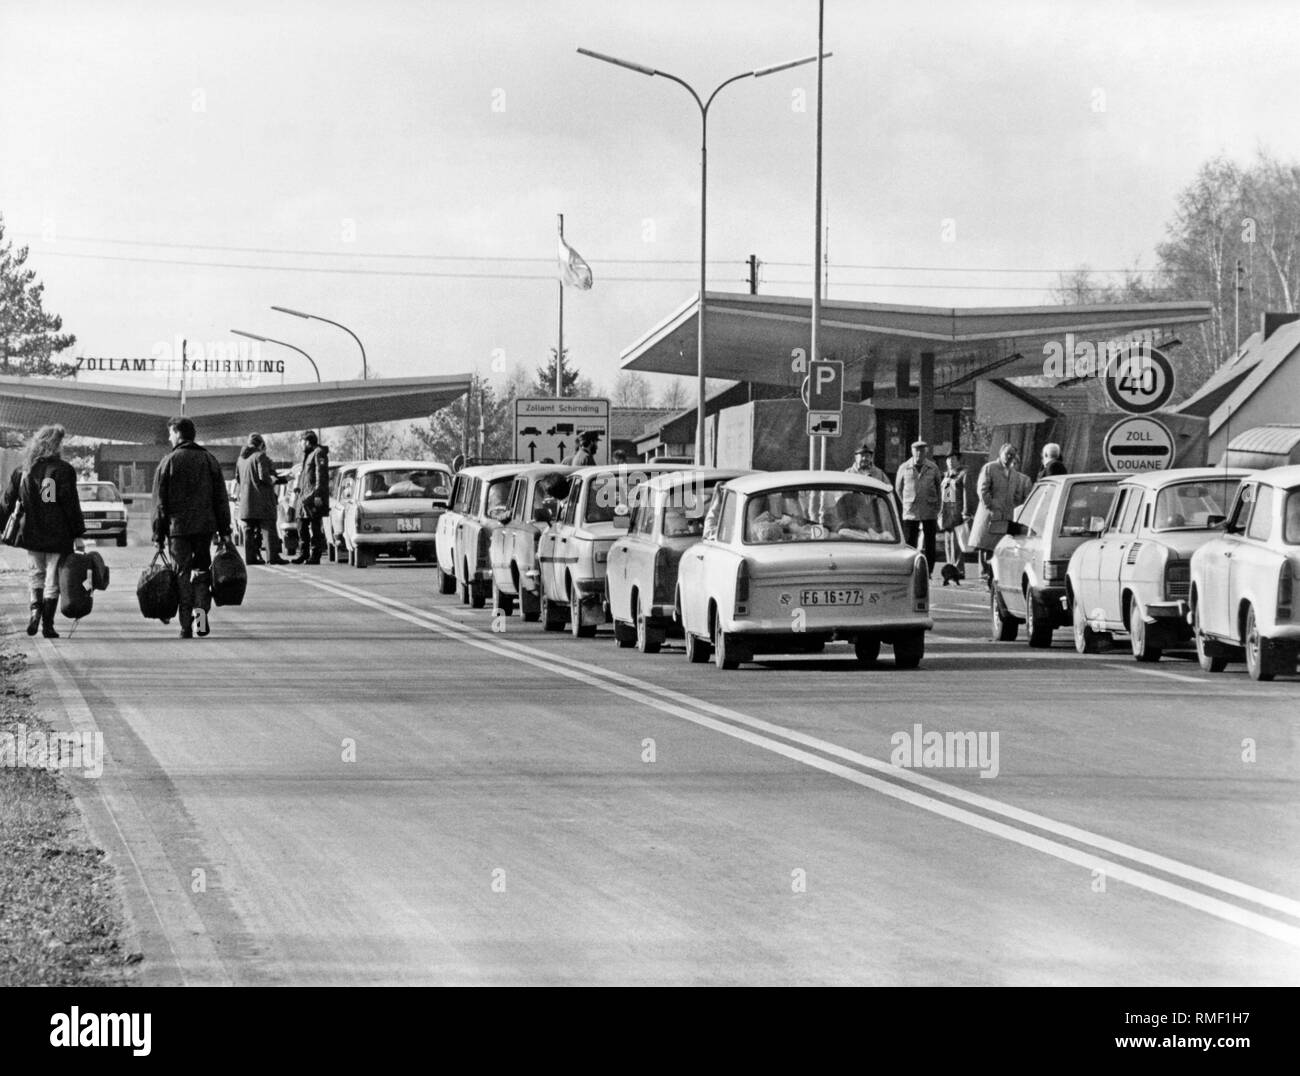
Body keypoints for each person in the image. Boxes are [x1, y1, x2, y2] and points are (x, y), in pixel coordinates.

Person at [0, 424, 86, 638]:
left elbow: (6, 503)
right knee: (52, 580)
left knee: (35, 575)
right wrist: (78, 534)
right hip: (59, 535)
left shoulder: (23, 471)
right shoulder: (63, 470)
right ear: (55, 445)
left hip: (32, 534)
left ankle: (35, 613)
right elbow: (70, 505)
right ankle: (48, 625)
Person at [152, 416, 232, 638]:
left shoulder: (168, 462)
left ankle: (186, 626)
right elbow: (221, 500)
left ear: (178, 433)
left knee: (182, 576)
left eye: (170, 433)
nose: (169, 437)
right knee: (202, 575)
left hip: (177, 531)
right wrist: (224, 531)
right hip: (204, 529)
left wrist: (158, 535)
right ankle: (202, 621)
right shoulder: (209, 460)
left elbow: (160, 504)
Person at [969, 443, 1028, 583]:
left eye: (1012, 454)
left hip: (1006, 515)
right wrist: (992, 505)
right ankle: (984, 575)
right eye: (1007, 453)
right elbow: (982, 490)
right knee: (987, 545)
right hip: (991, 514)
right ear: (1000, 453)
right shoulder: (990, 468)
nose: (1010, 457)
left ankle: (995, 576)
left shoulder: (1014, 473)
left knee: (999, 546)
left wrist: (1014, 507)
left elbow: (1016, 494)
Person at [236, 433, 286, 565]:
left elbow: (238, 479)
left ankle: (250, 558)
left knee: (249, 530)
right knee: (268, 528)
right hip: (262, 500)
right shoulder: (260, 456)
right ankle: (273, 557)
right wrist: (273, 480)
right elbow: (263, 476)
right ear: (261, 444)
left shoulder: (241, 459)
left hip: (246, 502)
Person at [894, 440, 943, 571]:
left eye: (922, 450)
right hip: (911, 510)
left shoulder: (933, 467)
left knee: (930, 541)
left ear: (926, 451)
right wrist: (905, 501)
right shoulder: (904, 467)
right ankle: (910, 567)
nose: (919, 453)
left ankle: (929, 569)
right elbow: (898, 488)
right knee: (910, 541)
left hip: (929, 508)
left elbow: (939, 487)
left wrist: (938, 505)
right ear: (912, 451)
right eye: (916, 450)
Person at [938, 452, 977, 585]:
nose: (949, 461)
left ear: (959, 460)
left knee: (957, 543)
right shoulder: (947, 475)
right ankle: (950, 568)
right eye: (948, 458)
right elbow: (946, 496)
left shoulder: (964, 474)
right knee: (948, 543)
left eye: (953, 458)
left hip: (958, 513)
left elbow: (968, 493)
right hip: (947, 513)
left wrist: (966, 511)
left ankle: (958, 570)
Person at [291, 431, 329, 564]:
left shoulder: (318, 453)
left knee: (315, 527)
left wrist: (318, 494)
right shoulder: (307, 455)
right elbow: (306, 476)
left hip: (312, 496)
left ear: (307, 441)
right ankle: (303, 553)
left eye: (301, 442)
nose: (300, 445)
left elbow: (321, 476)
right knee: (301, 525)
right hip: (304, 496)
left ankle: (315, 555)